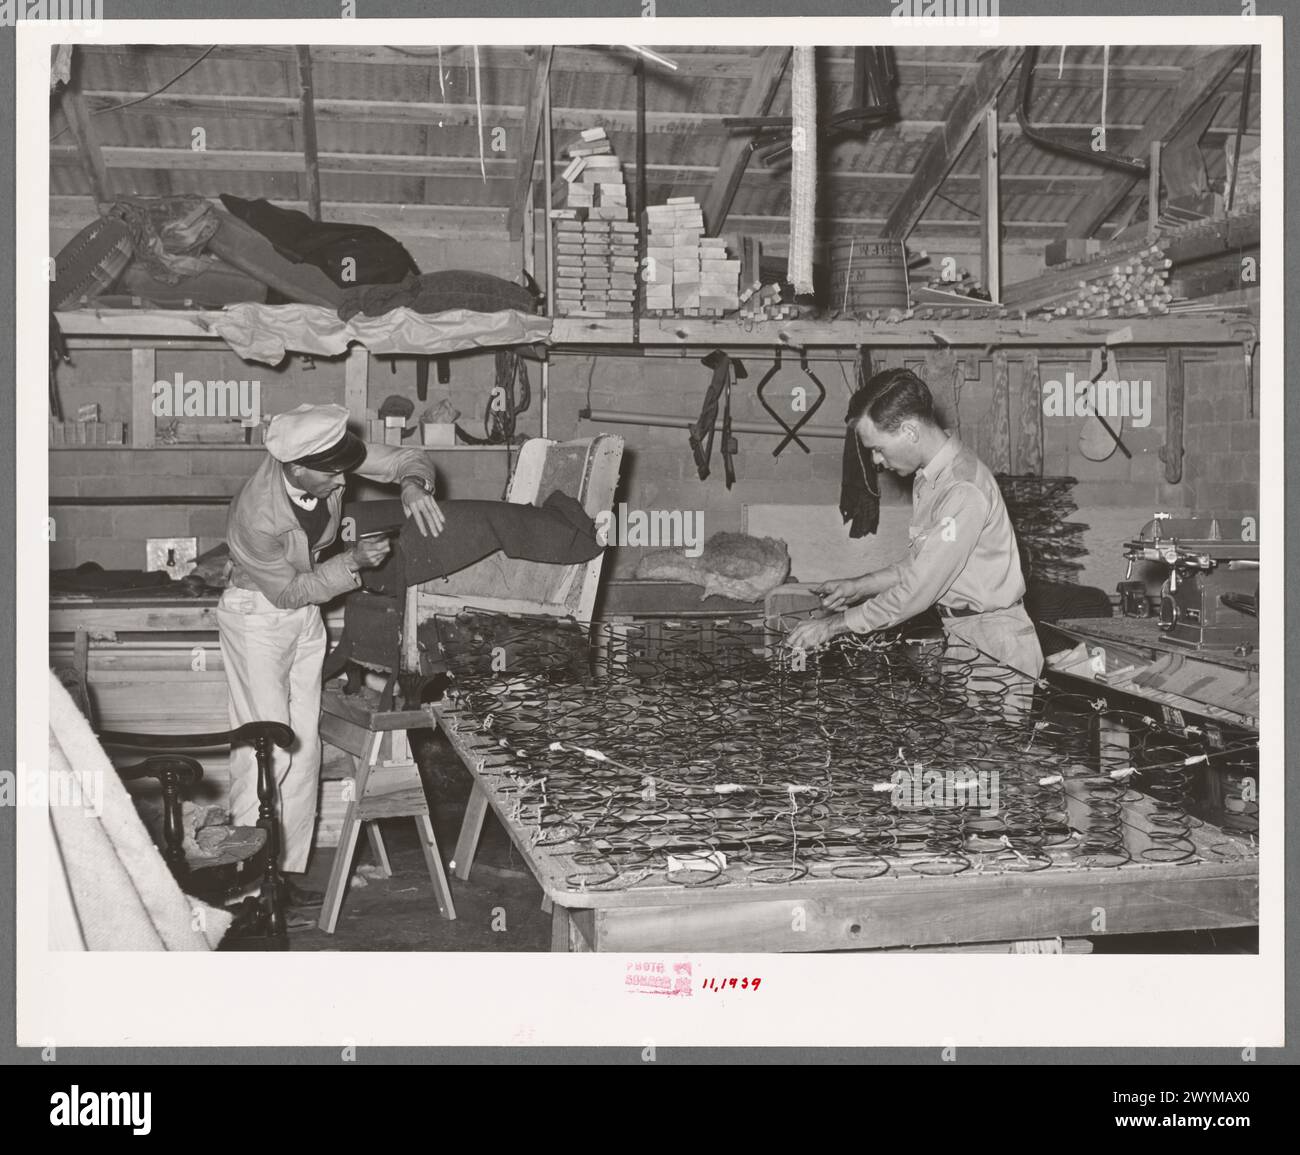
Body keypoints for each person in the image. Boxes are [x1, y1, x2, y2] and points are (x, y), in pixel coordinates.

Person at [218, 403, 445, 909]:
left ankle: (282, 875)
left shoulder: (324, 460)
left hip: (305, 615)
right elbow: (287, 593)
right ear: (294, 468)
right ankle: (246, 884)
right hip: (259, 615)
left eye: (345, 463)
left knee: (301, 750)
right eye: (331, 471)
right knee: (264, 746)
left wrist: (412, 484)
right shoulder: (256, 514)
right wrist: (352, 563)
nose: (343, 476)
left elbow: (409, 457)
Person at [785, 368, 1043, 715]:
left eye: (877, 448)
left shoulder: (961, 490)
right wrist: (860, 586)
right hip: (968, 636)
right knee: (964, 757)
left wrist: (833, 626)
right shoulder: (933, 479)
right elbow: (924, 564)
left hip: (995, 645)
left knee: (992, 764)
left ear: (909, 430)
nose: (876, 461)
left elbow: (919, 589)